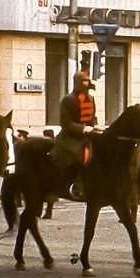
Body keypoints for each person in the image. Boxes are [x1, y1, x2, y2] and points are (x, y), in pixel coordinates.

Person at [51, 71, 99, 201]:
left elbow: (92, 117)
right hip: (70, 136)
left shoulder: (91, 99)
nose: (86, 83)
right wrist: (83, 129)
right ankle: (76, 186)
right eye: (84, 81)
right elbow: (65, 123)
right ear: (78, 83)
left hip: (88, 134)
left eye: (88, 81)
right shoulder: (68, 100)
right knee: (80, 155)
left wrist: (96, 126)